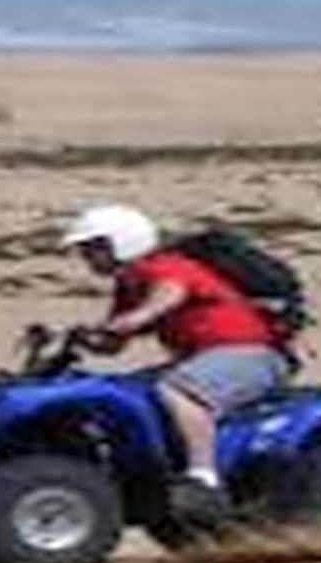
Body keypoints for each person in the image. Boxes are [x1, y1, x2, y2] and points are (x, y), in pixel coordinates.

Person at [62, 205, 291, 525]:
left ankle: (203, 478)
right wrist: (82, 338)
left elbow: (169, 296)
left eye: (94, 249)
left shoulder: (166, 267)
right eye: (85, 251)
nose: (88, 258)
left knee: (178, 390)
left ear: (122, 243)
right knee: (124, 391)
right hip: (205, 359)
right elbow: (112, 346)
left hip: (249, 354)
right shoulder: (129, 286)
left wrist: (135, 318)